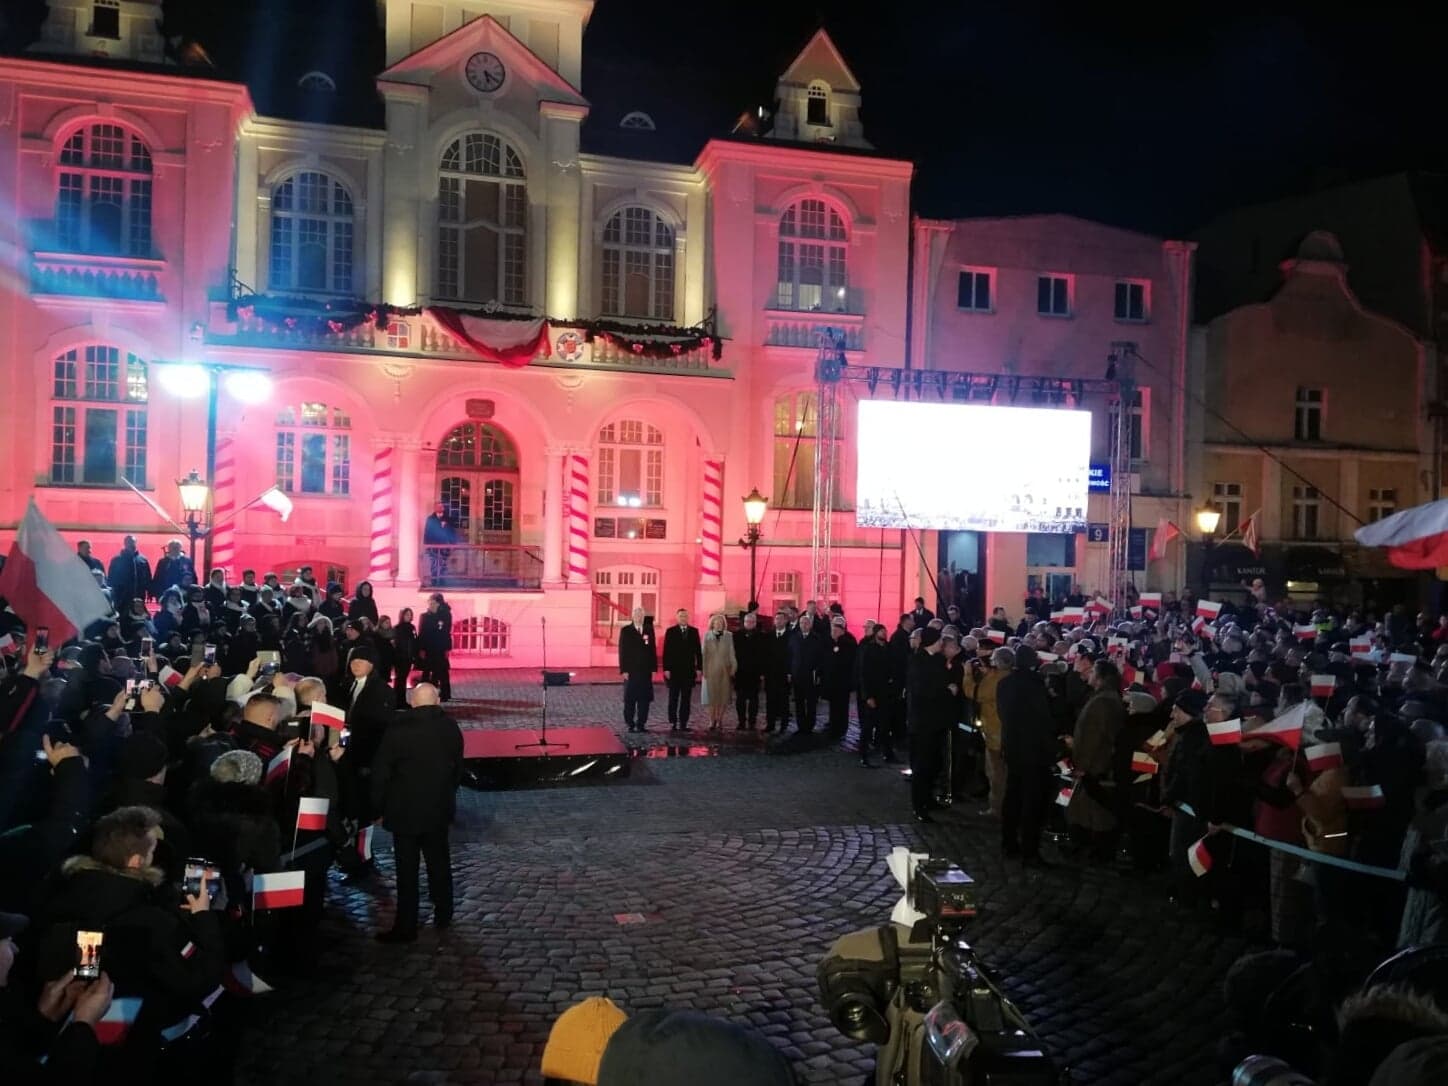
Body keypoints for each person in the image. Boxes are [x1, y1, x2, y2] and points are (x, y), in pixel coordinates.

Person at [371, 683, 463, 944]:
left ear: (412, 702)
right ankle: (444, 912)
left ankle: (406, 925)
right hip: (438, 808)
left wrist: (377, 807)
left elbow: (381, 773)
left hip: (404, 810)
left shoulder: (398, 730)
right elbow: (458, 768)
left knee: (407, 871)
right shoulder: (450, 727)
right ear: (437, 701)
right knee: (439, 862)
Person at [997, 645, 1057, 865]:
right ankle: (1029, 850)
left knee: (1013, 795)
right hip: (1034, 751)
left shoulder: (1005, 684)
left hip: (1013, 747)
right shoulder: (1035, 686)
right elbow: (1044, 720)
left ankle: (1008, 841)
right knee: (1032, 802)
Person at [1065, 658, 1126, 862]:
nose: (1088, 675)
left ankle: (1097, 851)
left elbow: (1094, 736)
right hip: (1095, 762)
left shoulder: (1103, 702)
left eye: (1092, 672)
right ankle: (1087, 847)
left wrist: (1082, 765)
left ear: (1100, 678)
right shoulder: (1104, 698)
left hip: (1095, 764)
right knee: (1086, 808)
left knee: (1095, 811)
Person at [857, 620, 893, 767]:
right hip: (873, 693)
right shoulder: (869, 649)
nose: (884, 634)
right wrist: (868, 696)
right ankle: (863, 756)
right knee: (868, 726)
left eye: (885, 631)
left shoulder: (888, 648)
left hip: (885, 693)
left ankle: (888, 753)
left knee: (885, 725)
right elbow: (864, 674)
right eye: (881, 631)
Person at [662, 608, 702, 733]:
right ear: (677, 617)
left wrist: (699, 668)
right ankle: (673, 722)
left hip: (688, 671)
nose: (683, 618)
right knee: (673, 697)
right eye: (681, 616)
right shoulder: (670, 631)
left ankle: (683, 723)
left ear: (687, 617)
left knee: (686, 699)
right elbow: (666, 651)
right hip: (674, 670)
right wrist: (666, 668)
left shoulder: (694, 631)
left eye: (685, 616)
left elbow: (698, 651)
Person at [618, 607, 656, 733]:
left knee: (644, 699)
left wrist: (654, 668)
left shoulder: (649, 630)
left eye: (641, 615)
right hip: (631, 671)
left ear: (643, 617)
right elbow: (622, 651)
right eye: (637, 614)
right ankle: (630, 723)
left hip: (645, 671)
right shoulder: (626, 630)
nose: (639, 617)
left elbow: (652, 649)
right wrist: (624, 670)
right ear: (633, 616)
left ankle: (641, 724)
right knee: (630, 699)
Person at [822, 615, 858, 742]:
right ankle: (832, 725)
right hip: (831, 679)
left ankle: (842, 728)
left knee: (842, 705)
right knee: (833, 705)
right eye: (833, 625)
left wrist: (840, 640)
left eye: (838, 626)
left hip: (843, 680)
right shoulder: (828, 638)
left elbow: (851, 660)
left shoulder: (850, 640)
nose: (835, 628)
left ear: (843, 628)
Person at [789, 613, 826, 733]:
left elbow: (821, 657)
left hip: (811, 675)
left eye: (806, 623)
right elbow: (789, 656)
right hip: (797, 674)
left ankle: (810, 725)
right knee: (799, 701)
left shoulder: (817, 638)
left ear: (810, 625)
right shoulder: (794, 637)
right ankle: (800, 725)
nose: (804, 625)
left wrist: (818, 672)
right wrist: (790, 671)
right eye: (801, 623)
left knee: (811, 702)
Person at [701, 612, 737, 733]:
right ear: (712, 624)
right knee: (710, 697)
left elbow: (732, 652)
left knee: (723, 697)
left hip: (724, 670)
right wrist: (703, 669)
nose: (718, 624)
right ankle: (712, 720)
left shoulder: (729, 635)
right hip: (710, 669)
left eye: (721, 623)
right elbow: (703, 654)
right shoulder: (707, 636)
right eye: (716, 623)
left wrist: (733, 667)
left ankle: (720, 719)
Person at [733, 610, 764, 731]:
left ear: (755, 623)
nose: (749, 623)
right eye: (747, 621)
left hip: (755, 673)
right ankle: (741, 721)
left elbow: (764, 656)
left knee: (754, 699)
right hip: (740, 672)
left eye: (752, 621)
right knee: (740, 699)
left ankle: (752, 721)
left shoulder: (761, 636)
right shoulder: (736, 635)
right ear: (744, 622)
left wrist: (762, 672)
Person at [417, 593, 453, 701]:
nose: (432, 605)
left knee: (442, 671)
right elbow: (422, 633)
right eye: (430, 602)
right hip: (428, 648)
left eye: (434, 603)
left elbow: (446, 632)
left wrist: (447, 648)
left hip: (440, 648)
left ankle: (445, 693)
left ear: (439, 604)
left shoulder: (445, 615)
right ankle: (425, 694)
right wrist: (421, 648)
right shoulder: (425, 616)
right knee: (427, 671)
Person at [763, 611, 793, 734]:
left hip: (784, 674)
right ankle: (770, 724)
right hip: (770, 674)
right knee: (770, 700)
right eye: (777, 619)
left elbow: (792, 655)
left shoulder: (791, 636)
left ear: (786, 621)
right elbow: (764, 655)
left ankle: (784, 726)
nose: (778, 621)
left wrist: (790, 672)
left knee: (784, 700)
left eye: (781, 619)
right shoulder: (769, 635)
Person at [107, 535, 152, 606]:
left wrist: (150, 591)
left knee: (138, 612)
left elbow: (148, 577)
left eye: (133, 542)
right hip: (121, 597)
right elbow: (111, 578)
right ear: (125, 543)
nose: (131, 544)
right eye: (129, 542)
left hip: (139, 595)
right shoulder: (117, 560)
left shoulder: (143, 560)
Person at [424, 503, 457, 584]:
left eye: (441, 506)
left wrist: (453, 544)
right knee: (434, 564)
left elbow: (452, 532)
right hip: (433, 546)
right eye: (437, 506)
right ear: (434, 508)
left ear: (443, 508)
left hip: (445, 546)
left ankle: (442, 581)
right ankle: (434, 581)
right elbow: (427, 532)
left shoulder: (448, 518)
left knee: (443, 563)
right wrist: (426, 545)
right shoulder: (430, 519)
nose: (439, 508)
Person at [392, 606, 417, 707]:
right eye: (407, 614)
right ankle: (398, 701)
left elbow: (414, 642)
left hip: (408, 658)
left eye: (410, 614)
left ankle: (401, 701)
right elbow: (396, 644)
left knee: (403, 679)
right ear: (402, 615)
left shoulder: (412, 628)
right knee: (400, 680)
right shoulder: (397, 628)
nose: (408, 616)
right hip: (400, 658)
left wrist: (414, 656)